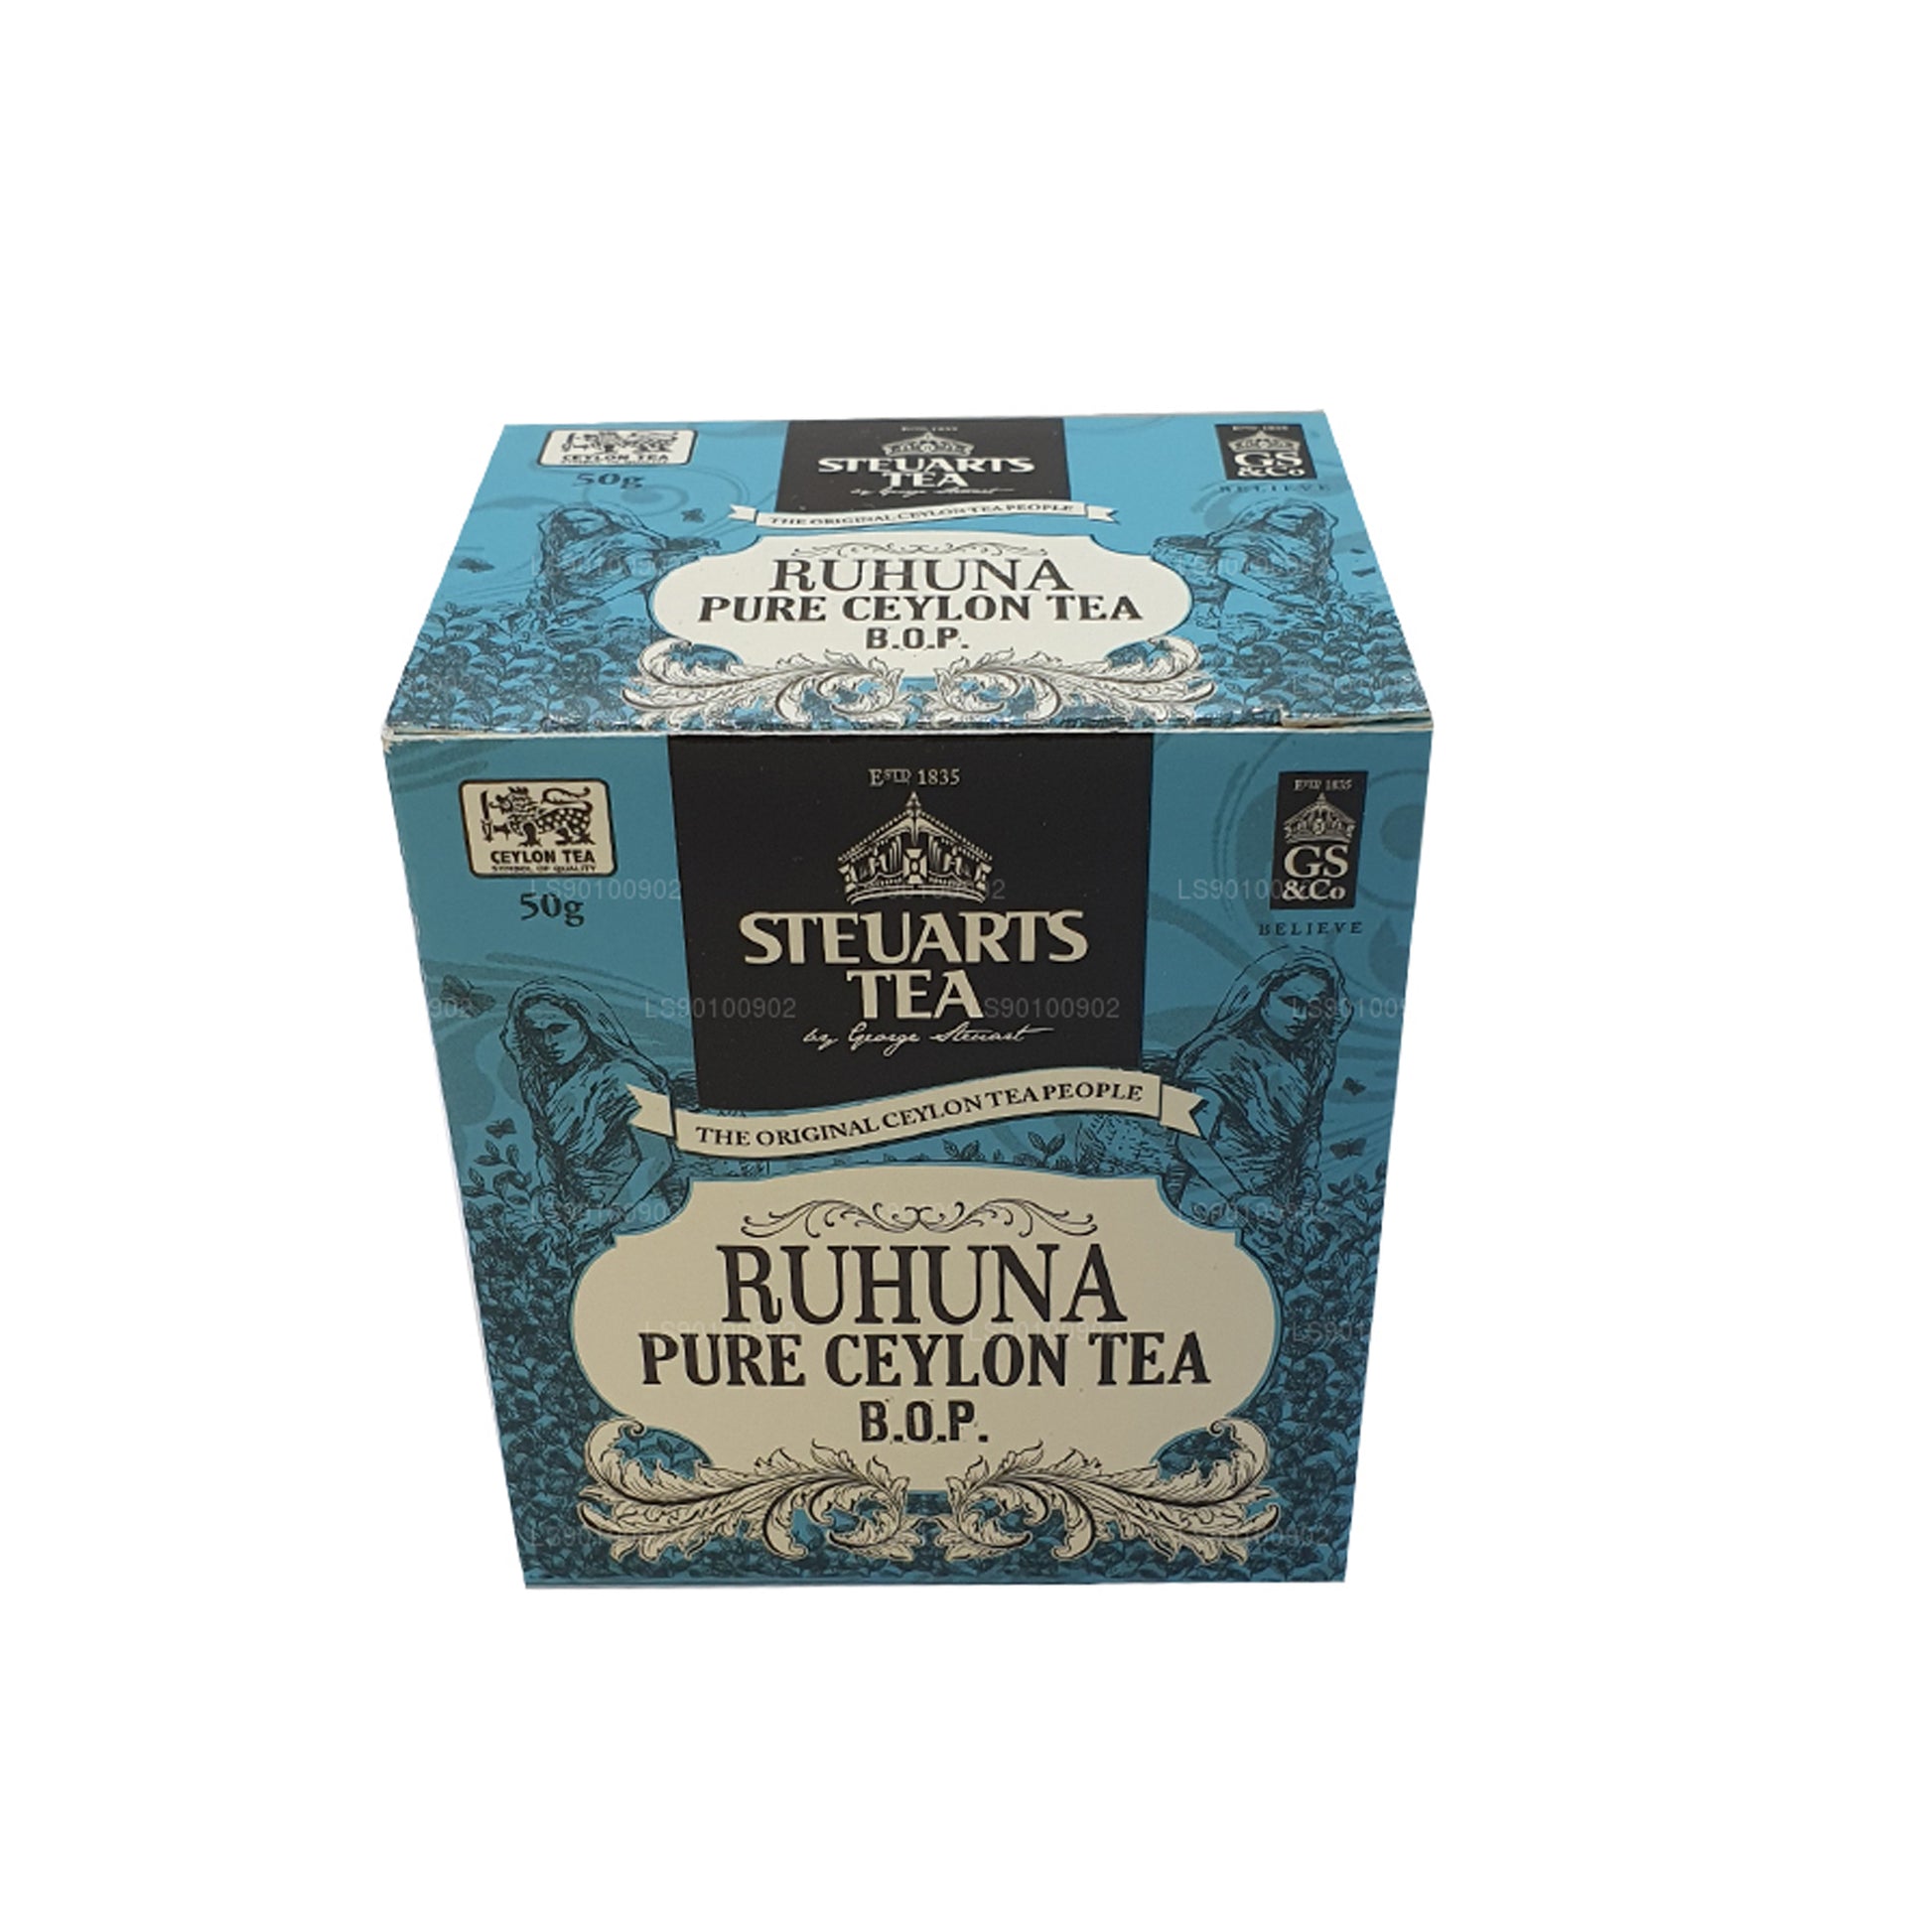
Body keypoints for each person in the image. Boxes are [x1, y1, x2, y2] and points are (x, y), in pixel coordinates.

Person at [1166, 949, 1350, 1253]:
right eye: (1291, 1002)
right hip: (1215, 1199)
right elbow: (1188, 1138)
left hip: (1277, 1204)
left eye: (1314, 1007)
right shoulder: (1219, 1053)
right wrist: (1241, 1198)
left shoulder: (1314, 1059)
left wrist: (1307, 1178)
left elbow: (1308, 1129)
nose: (1301, 1017)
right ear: (1262, 993)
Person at [501, 979, 676, 1247]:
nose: (548, 1042)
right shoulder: (536, 1081)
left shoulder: (633, 1077)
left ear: (586, 1022)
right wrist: (549, 1190)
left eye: (558, 1029)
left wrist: (610, 1213)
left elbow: (657, 1159)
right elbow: (546, 1149)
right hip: (577, 1220)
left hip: (638, 1215)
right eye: (535, 1032)